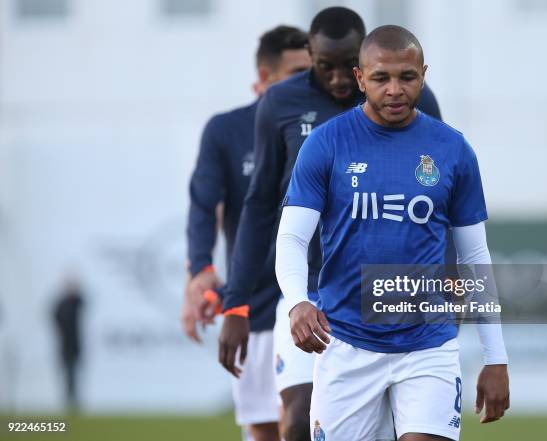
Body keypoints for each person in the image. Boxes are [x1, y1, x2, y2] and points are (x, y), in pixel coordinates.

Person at [217, 7, 443, 441]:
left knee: (395, 428)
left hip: (389, 294)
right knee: (299, 416)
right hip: (313, 292)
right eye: (325, 67)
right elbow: (261, 203)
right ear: (310, 54)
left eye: (348, 67)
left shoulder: (410, 98)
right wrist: (236, 303)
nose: (339, 79)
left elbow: (440, 200)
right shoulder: (280, 103)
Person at [275, 25, 510, 441]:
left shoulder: (453, 149)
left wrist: (496, 358)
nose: (395, 89)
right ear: (360, 78)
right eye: (381, 78)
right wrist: (296, 302)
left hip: (428, 344)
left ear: (423, 74)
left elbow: (475, 257)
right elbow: (293, 238)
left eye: (407, 76)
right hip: (346, 343)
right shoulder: (327, 145)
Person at [183, 26, 311, 441]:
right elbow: (204, 205)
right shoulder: (226, 130)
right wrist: (200, 268)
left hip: (311, 298)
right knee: (264, 427)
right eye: (296, 72)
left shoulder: (326, 124)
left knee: (309, 419)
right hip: (254, 300)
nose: (307, 82)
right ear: (265, 75)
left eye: (312, 71)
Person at [53, 276, 84, 412]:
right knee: (67, 374)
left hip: (75, 344)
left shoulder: (75, 302)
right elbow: (54, 317)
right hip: (65, 344)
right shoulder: (62, 304)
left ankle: (74, 400)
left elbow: (82, 301)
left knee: (74, 374)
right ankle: (68, 400)